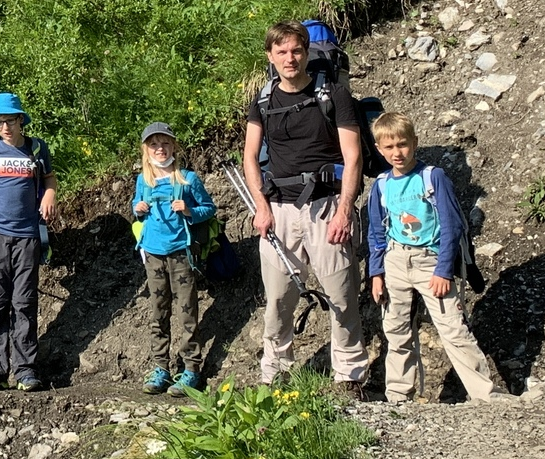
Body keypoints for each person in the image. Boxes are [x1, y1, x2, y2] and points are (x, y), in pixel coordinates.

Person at [242, 21, 367, 396]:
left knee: (342, 295)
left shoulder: (335, 95)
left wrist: (345, 210)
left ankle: (349, 375)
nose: (289, 58)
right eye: (281, 52)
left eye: (296, 50)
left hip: (327, 205)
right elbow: (250, 158)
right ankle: (275, 372)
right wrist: (260, 207)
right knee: (278, 299)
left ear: (307, 52)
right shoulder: (262, 101)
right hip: (278, 211)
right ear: (270, 57)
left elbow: (354, 155)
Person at [366, 112, 498, 404]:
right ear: (378, 149)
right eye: (389, 147)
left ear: (414, 143)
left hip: (430, 261)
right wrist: (376, 274)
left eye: (402, 144)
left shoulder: (432, 177)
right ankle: (398, 396)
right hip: (395, 262)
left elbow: (451, 226)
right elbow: (376, 232)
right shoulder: (382, 185)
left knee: (453, 327)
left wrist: (443, 270)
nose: (396, 153)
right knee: (396, 330)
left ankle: (484, 395)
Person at [0, 92, 57, 393]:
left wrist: (49, 195)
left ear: (21, 120)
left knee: (25, 303)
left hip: (28, 235)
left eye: (10, 120)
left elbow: (50, 179)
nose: (5, 126)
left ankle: (25, 370)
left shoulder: (36, 148)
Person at [131, 122, 215, 396]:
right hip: (153, 254)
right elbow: (137, 210)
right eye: (154, 144)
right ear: (146, 150)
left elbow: (209, 209)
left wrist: (190, 211)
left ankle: (191, 369)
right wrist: (138, 209)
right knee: (158, 312)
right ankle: (161, 369)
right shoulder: (143, 180)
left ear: (174, 147)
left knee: (187, 311)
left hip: (182, 253)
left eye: (165, 143)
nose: (160, 149)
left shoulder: (188, 178)